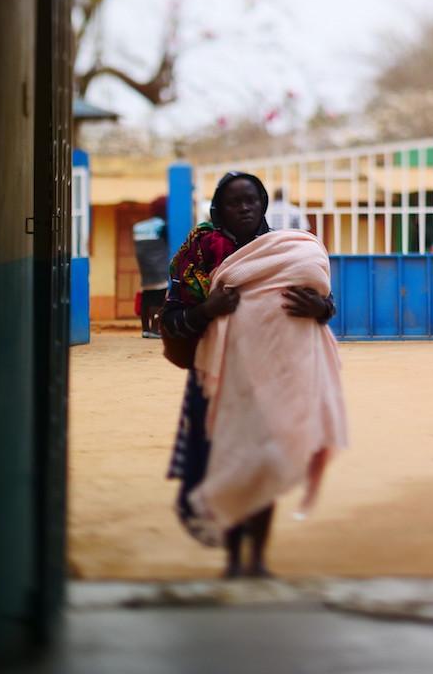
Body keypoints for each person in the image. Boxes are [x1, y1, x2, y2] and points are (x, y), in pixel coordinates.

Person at [159, 171, 346, 578]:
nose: (245, 208)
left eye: (252, 200)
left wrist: (321, 309)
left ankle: (257, 558)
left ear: (263, 204)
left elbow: (323, 302)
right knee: (226, 465)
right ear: (217, 209)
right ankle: (231, 559)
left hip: (273, 379)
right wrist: (207, 310)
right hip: (220, 379)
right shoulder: (200, 254)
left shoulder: (284, 249)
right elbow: (169, 318)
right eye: (234, 202)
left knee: (265, 464)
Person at [133, 196, 169, 337]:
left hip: (145, 267)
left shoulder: (139, 226)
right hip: (159, 266)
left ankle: (145, 329)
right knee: (159, 299)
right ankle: (155, 329)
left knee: (147, 297)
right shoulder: (163, 225)